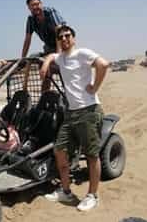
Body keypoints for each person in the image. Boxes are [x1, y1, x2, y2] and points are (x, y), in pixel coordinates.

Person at [41, 25, 109, 212]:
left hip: (88, 110)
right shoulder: (60, 58)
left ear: (74, 38)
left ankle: (92, 196)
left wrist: (95, 87)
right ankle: (66, 191)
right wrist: (46, 63)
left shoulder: (82, 53)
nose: (64, 39)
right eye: (61, 37)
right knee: (60, 151)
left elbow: (103, 64)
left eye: (67, 36)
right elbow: (51, 56)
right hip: (71, 113)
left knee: (91, 155)